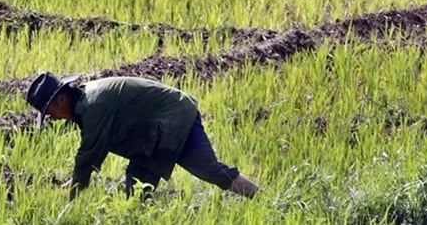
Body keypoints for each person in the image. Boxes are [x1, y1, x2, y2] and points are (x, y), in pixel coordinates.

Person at [25, 72, 260, 201]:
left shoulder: (92, 106)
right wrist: (78, 181)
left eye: (49, 111)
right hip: (150, 134)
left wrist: (71, 198)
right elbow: (99, 149)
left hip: (175, 118)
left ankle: (262, 199)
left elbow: (89, 153)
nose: (51, 118)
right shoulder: (85, 104)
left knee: (209, 170)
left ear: (61, 100)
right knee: (136, 192)